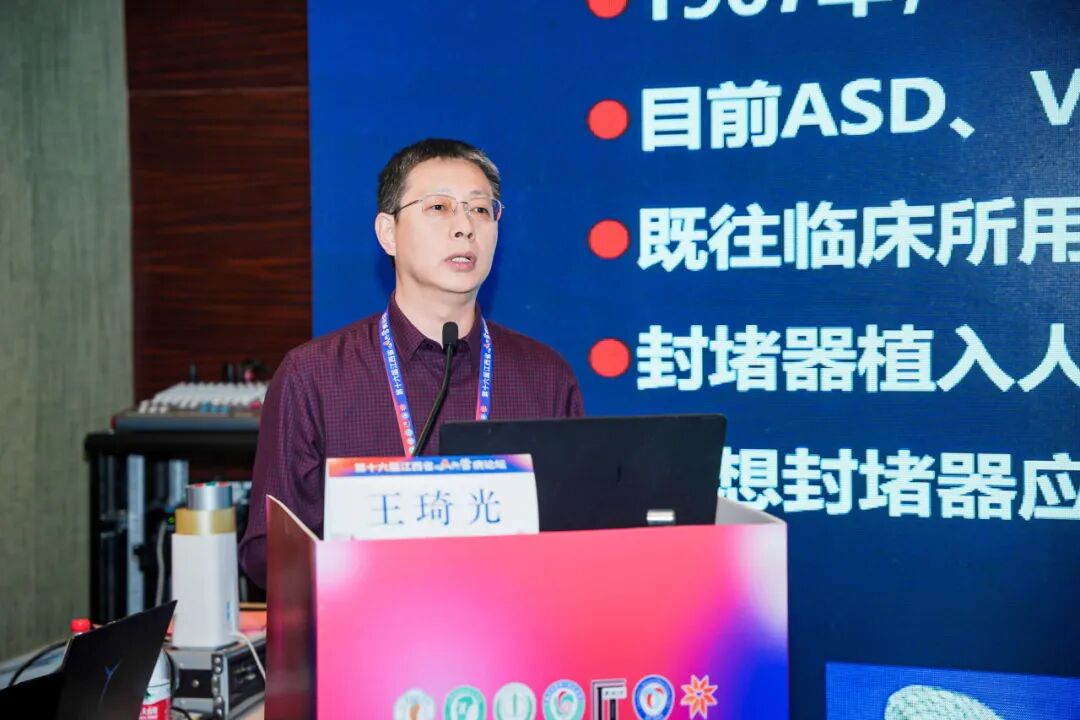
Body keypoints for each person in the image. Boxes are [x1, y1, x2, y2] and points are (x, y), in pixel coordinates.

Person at [239, 138, 584, 588]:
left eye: (481, 210)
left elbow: (581, 539)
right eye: (439, 207)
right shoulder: (314, 377)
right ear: (388, 233)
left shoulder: (546, 377)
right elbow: (266, 552)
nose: (465, 227)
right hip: (364, 622)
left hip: (512, 623)